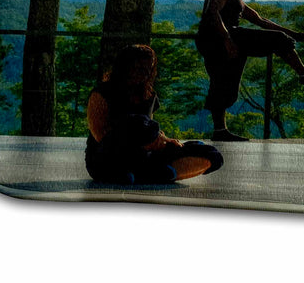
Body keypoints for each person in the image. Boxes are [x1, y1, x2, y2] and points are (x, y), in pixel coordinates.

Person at [195, 0, 304, 142]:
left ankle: (220, 131)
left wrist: (293, 34)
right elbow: (212, 12)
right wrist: (227, 40)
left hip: (225, 40)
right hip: (219, 39)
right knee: (277, 40)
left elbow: (260, 20)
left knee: (224, 84)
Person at [85, 44, 223, 184]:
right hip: (109, 156)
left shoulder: (149, 96)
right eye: (139, 68)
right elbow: (101, 136)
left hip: (147, 153)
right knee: (135, 127)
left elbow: (150, 128)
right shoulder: (102, 93)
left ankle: (157, 173)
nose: (144, 73)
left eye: (148, 69)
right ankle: (153, 173)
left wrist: (164, 140)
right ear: (125, 67)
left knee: (212, 155)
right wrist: (140, 144)